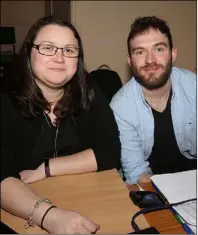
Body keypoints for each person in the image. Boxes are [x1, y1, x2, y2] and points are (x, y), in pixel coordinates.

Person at [1, 15, 121, 234]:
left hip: (84, 200)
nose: (59, 57)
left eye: (69, 50)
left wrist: (46, 169)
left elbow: (109, 152)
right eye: (48, 47)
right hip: (21, 211)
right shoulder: (5, 99)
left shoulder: (89, 92)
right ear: (29, 53)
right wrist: (49, 217)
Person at [110, 16, 196, 185]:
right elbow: (136, 173)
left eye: (159, 49)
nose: (150, 60)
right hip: (153, 188)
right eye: (140, 52)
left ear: (173, 54)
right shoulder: (120, 107)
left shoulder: (194, 88)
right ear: (129, 61)